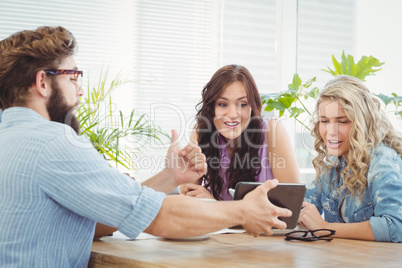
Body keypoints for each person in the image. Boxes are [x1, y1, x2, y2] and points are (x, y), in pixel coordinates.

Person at [0, 26, 292, 266]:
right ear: (42, 82)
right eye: (73, 76)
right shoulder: (55, 143)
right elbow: (160, 217)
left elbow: (102, 220)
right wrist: (243, 211)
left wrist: (170, 177)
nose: (80, 88)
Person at [299, 75, 402, 242]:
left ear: (362, 122)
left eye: (342, 122)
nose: (331, 131)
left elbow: (396, 226)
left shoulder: (382, 160)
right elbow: (301, 205)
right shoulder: (333, 164)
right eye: (324, 121)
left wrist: (325, 227)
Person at [180, 64, 301, 200]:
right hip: (218, 221)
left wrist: (215, 206)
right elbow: (188, 196)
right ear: (211, 107)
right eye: (222, 104)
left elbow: (293, 203)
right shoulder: (202, 131)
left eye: (242, 104)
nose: (233, 114)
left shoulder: (272, 130)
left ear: (252, 106)